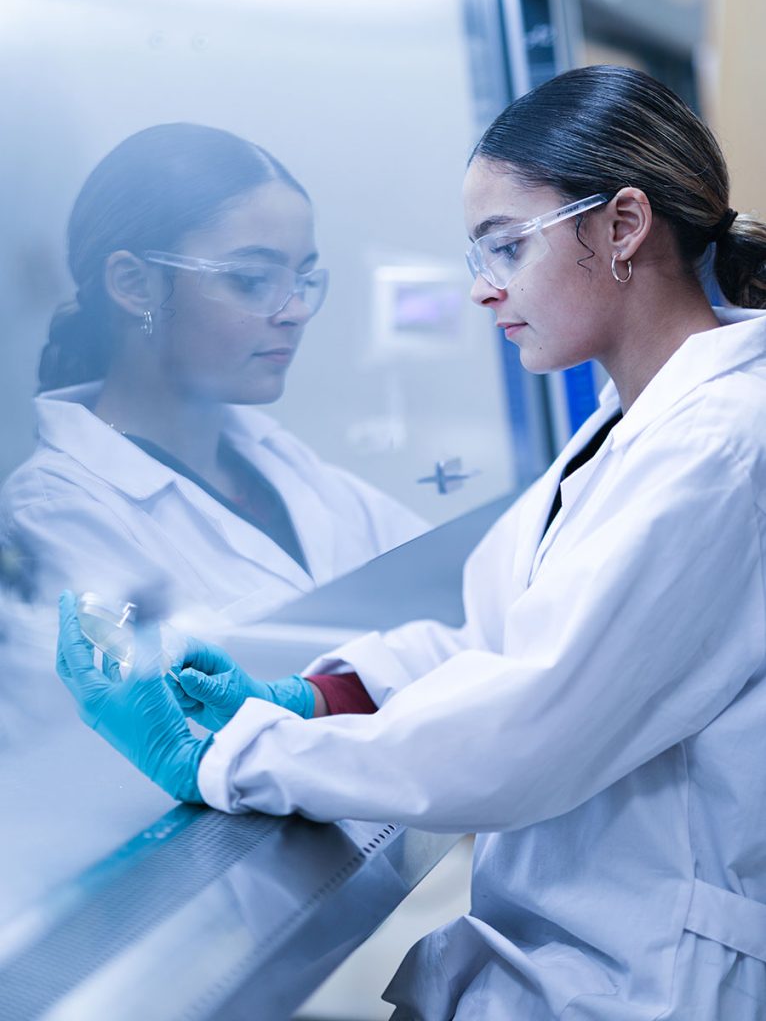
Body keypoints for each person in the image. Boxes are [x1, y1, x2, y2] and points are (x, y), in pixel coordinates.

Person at [57, 66, 766, 1019]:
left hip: (650, 979)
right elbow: (497, 638)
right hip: (572, 954)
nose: (484, 291)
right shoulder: (627, 425)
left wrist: (228, 757)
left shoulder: (717, 444)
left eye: (507, 247)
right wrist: (315, 696)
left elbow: (527, 729)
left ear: (623, 227)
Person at [0, 123, 425, 627]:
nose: (297, 312)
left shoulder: (286, 468)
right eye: (251, 279)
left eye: (303, 279)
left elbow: (459, 595)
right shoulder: (54, 516)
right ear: (135, 285)